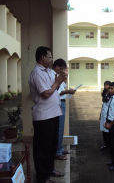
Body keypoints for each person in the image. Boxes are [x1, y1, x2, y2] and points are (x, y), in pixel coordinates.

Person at [29, 46, 66, 183]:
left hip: (53, 113)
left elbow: (55, 87)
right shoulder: (36, 73)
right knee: (42, 148)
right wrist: (57, 82)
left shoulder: (49, 71)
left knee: (51, 145)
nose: (51, 60)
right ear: (42, 57)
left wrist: (60, 80)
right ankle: (42, 177)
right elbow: (46, 93)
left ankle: (50, 169)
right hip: (43, 116)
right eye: (49, 57)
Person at [51, 59, 76, 160]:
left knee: (60, 128)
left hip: (61, 103)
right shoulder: (53, 76)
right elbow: (57, 92)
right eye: (62, 69)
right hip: (58, 103)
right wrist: (68, 92)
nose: (63, 71)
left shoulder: (57, 76)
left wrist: (65, 76)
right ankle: (57, 151)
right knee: (59, 128)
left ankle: (59, 149)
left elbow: (62, 86)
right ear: (57, 67)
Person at [100, 81, 112, 150]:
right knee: (103, 129)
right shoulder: (104, 93)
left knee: (107, 130)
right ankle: (106, 144)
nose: (106, 86)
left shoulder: (110, 94)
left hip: (108, 113)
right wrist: (100, 113)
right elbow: (103, 104)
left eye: (107, 85)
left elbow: (106, 101)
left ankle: (109, 144)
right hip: (103, 113)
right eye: (105, 85)